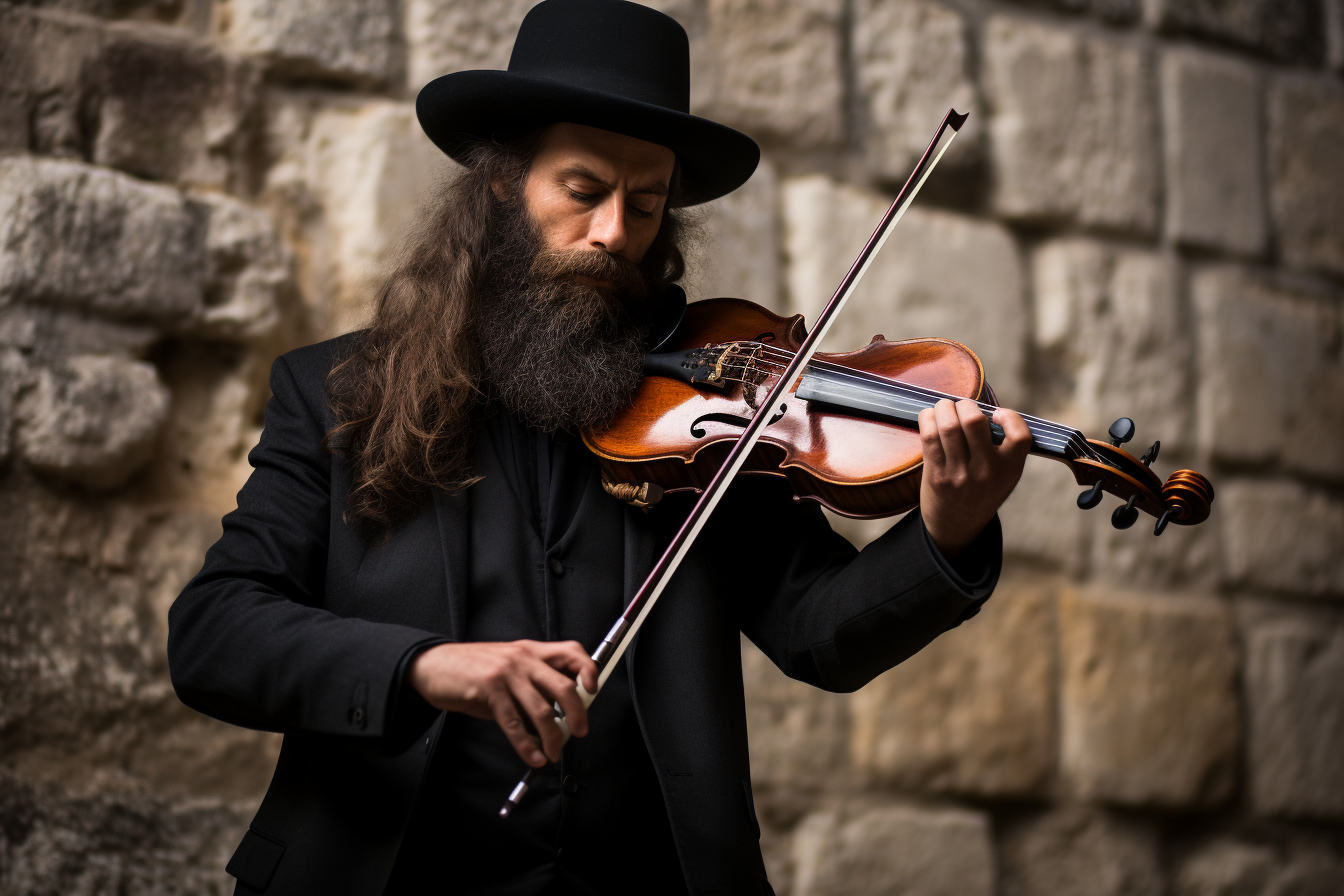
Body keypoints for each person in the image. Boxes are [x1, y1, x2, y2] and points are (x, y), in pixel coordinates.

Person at [167, 1, 1032, 893]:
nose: (615, 231)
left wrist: (948, 533)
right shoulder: (336, 394)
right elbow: (212, 634)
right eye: (583, 192)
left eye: (646, 203)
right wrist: (421, 666)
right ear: (505, 185)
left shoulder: (710, 418)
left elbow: (821, 632)